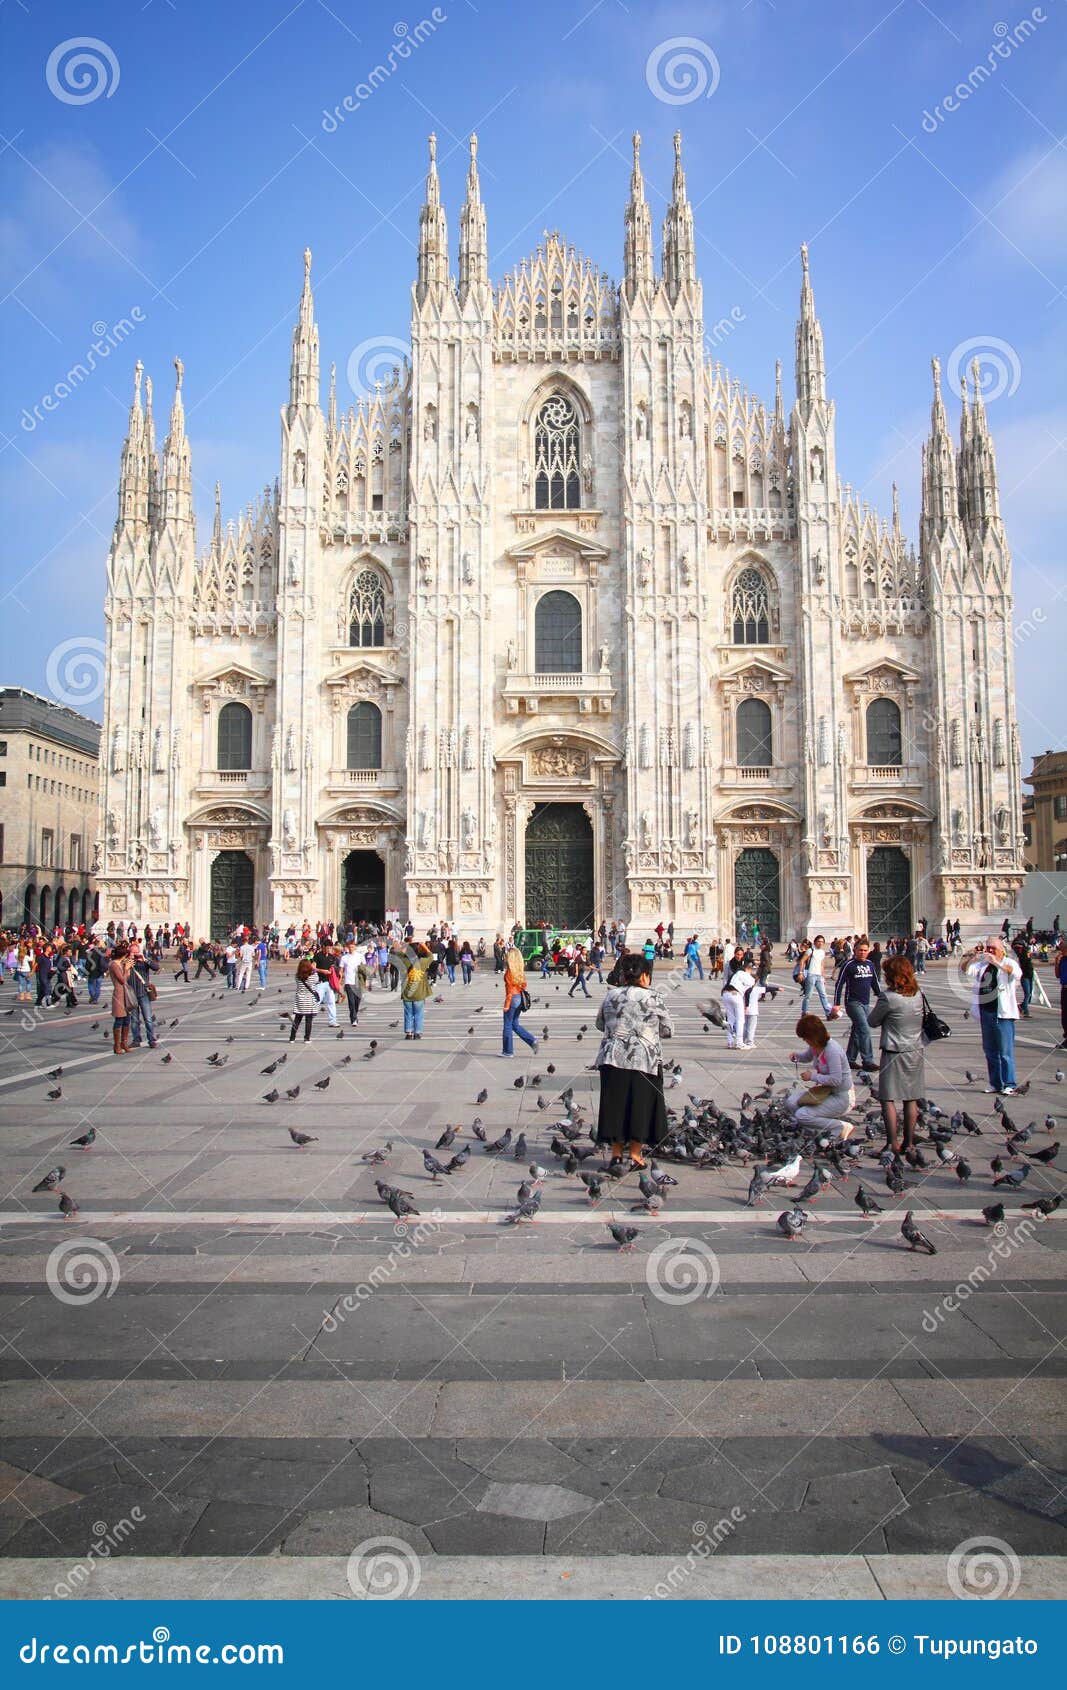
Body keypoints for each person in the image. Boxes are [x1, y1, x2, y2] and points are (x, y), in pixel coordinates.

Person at [593, 951, 673, 1168]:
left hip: (612, 1058)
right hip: (643, 1060)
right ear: (645, 975)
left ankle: (616, 1154)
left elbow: (599, 1024)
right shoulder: (653, 997)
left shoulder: (611, 995)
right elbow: (667, 1030)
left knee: (615, 1105)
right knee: (641, 1105)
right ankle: (636, 1156)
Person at [868, 955, 925, 1153]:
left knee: (888, 1098)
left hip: (893, 1051)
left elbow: (872, 1021)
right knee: (911, 1098)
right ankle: (908, 1143)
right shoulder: (918, 994)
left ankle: (892, 1143)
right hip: (915, 1050)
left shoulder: (888, 998)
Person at [965, 937, 1022, 1095]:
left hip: (1003, 1014)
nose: (989, 951)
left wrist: (997, 962)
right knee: (990, 1051)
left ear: (1001, 950)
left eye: (992, 948)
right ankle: (995, 1083)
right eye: (988, 948)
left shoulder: (1010, 963)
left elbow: (1016, 974)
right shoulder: (982, 965)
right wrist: (971, 957)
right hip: (986, 1013)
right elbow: (966, 970)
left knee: (1005, 1051)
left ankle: (1009, 1083)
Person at [785, 1014, 856, 1136]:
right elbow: (807, 1057)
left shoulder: (832, 1050)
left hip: (841, 1096)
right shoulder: (816, 1046)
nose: (805, 1041)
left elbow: (836, 1080)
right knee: (791, 1101)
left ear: (813, 1036)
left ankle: (840, 1127)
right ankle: (812, 1130)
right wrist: (797, 1056)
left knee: (801, 1114)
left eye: (805, 1038)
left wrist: (812, 1076)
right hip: (826, 1092)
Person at [832, 936, 882, 1071]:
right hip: (852, 1003)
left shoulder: (870, 964)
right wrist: (836, 1004)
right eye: (860, 950)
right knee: (864, 1029)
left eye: (865, 950)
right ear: (855, 950)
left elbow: (875, 983)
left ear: (868, 951)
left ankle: (850, 1059)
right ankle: (868, 1060)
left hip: (865, 1003)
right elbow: (839, 984)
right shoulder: (849, 964)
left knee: (856, 1030)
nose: (863, 953)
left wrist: (882, 996)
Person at [502, 946, 539, 1056]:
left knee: (508, 1025)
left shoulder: (510, 972)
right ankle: (532, 1040)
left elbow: (509, 991)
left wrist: (506, 1005)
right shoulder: (520, 971)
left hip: (512, 998)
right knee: (515, 1024)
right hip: (519, 998)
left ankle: (508, 1051)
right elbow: (524, 985)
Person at [127, 940, 160, 1048]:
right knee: (134, 1020)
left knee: (148, 1018)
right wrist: (128, 962)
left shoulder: (144, 962)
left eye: (136, 952)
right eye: (133, 953)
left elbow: (156, 967)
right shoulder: (126, 962)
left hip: (143, 993)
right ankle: (136, 1040)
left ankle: (151, 1040)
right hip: (132, 994)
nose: (135, 955)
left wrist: (144, 959)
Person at [721, 957, 756, 1050]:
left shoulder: (736, 974)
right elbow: (752, 982)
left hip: (725, 994)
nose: (751, 972)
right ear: (747, 969)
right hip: (735, 995)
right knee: (740, 1020)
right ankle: (739, 1043)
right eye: (750, 970)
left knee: (730, 1020)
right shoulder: (744, 973)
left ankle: (730, 1042)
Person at [401, 944, 434, 1039]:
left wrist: (404, 949)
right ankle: (417, 1033)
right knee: (418, 1013)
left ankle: (408, 1032)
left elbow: (397, 954)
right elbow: (431, 956)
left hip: (407, 992)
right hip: (419, 992)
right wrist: (424, 946)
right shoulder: (422, 962)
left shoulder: (404, 961)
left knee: (408, 1013)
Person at [109, 941, 132, 1056]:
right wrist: (127, 969)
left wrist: (127, 967)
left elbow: (126, 978)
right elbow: (122, 980)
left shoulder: (121, 964)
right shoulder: (114, 964)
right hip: (119, 993)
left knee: (127, 1019)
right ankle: (117, 1044)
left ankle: (124, 1042)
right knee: (119, 1019)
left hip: (126, 993)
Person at [800, 935, 832, 1016]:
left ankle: (828, 1012)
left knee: (823, 994)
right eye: (819, 941)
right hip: (811, 974)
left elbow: (821, 964)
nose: (820, 943)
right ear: (815, 942)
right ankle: (805, 1011)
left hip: (819, 975)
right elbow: (802, 960)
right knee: (808, 995)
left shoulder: (822, 952)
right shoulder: (810, 950)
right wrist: (801, 973)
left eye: (822, 942)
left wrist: (823, 976)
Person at [290, 957, 319, 1043]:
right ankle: (306, 1038)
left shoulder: (297, 976)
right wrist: (314, 969)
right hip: (309, 1000)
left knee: (297, 1019)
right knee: (308, 1020)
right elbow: (317, 980)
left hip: (300, 999)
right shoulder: (313, 976)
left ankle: (292, 1038)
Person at [340, 939, 362, 1025]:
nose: (351, 949)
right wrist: (340, 980)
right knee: (351, 1001)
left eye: (352, 947)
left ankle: (354, 1015)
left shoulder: (360, 956)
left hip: (358, 982)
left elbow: (364, 969)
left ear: (355, 947)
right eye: (349, 947)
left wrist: (367, 981)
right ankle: (353, 1019)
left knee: (357, 1001)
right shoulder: (344, 958)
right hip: (348, 982)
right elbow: (341, 970)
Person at [1012, 936, 1034, 1018]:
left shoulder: (1025, 951)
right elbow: (1022, 963)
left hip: (1030, 974)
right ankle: (1022, 1007)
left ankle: (1024, 1010)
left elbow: (1029, 964)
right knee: (1027, 993)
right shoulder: (1017, 955)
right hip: (1024, 975)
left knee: (1029, 994)